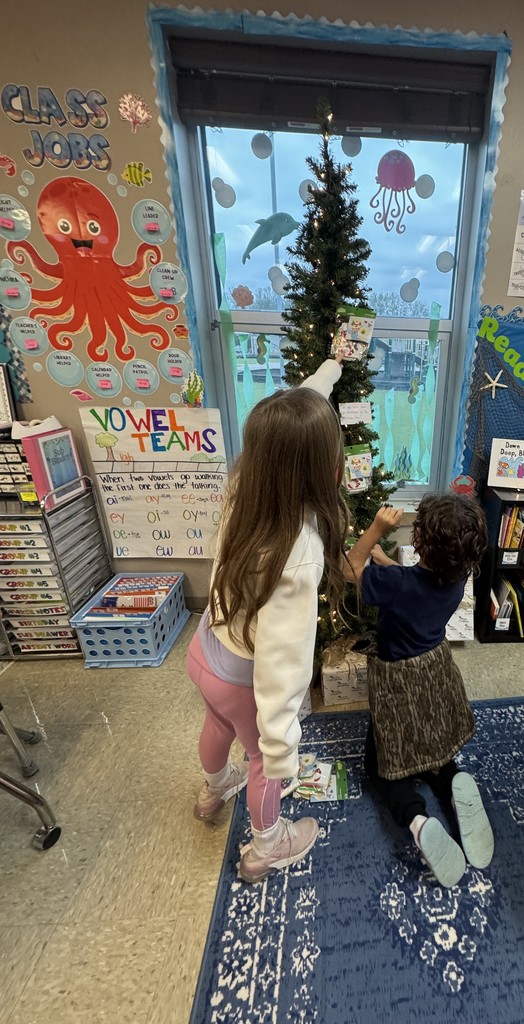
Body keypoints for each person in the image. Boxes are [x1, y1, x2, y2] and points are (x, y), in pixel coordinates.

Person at [186, 354, 348, 883]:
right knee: (262, 761)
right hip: (245, 681)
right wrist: (282, 744)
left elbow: (291, 419)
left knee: (216, 725)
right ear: (319, 466)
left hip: (206, 651)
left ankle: (212, 791)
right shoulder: (300, 550)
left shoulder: (243, 488)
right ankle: (266, 846)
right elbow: (285, 658)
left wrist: (330, 368)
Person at [344, 493, 493, 887]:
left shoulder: (397, 584)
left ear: (422, 542)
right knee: (435, 744)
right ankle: (451, 780)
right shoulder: (458, 576)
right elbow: (413, 583)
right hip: (435, 672)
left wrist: (376, 530)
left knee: (384, 766)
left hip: (398, 682)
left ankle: (416, 819)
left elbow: (348, 568)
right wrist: (383, 558)